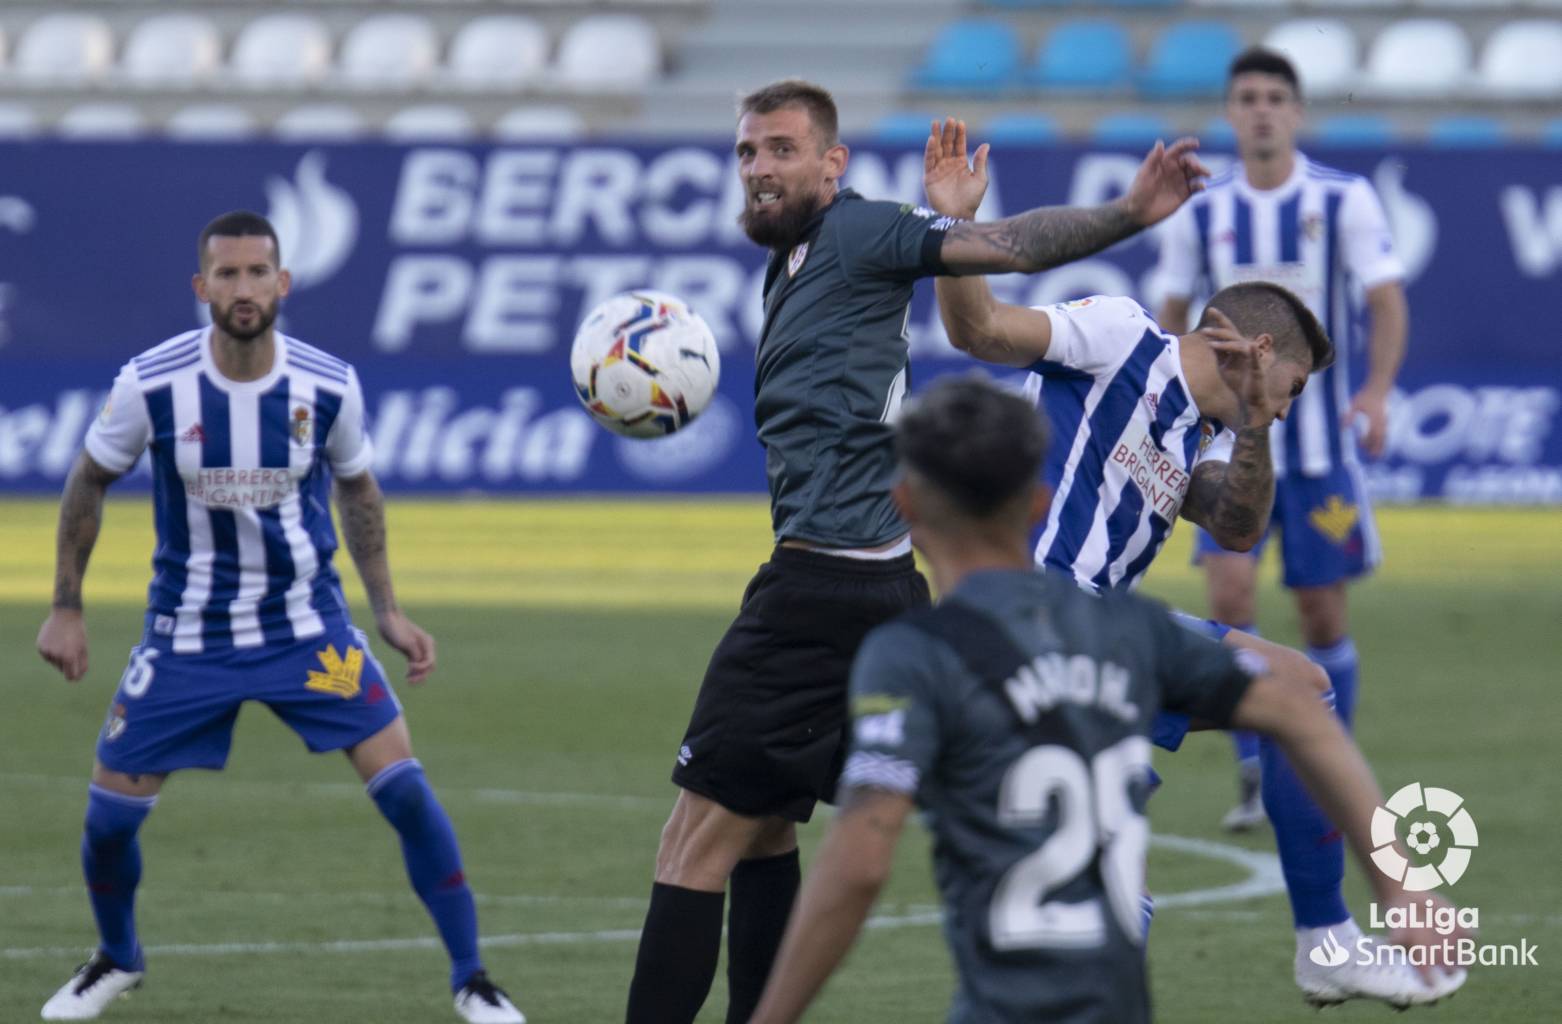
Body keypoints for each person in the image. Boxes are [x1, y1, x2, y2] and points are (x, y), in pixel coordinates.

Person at [623, 80, 1208, 1024]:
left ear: (831, 162)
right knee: (767, 828)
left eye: (780, 149)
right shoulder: (796, 262)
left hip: (821, 587)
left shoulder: (861, 233)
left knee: (691, 844)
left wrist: (1131, 212)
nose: (759, 168)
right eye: (746, 152)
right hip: (877, 585)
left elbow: (1008, 249)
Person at [923, 120, 1460, 1007]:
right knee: (1083, 936)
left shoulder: (1203, 436)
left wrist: (1250, 422)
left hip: (1108, 635)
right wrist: (954, 238)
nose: (1284, 411)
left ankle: (1325, 942)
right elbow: (981, 332)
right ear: (1247, 350)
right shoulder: (1119, 335)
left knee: (1299, 688)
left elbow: (1240, 526)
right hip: (1030, 622)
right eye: (1287, 389)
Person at [747, 376, 1464, 1024]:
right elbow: (1300, 707)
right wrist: (1400, 885)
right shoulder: (1131, 633)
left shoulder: (911, 656)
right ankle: (1327, 934)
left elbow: (863, 859)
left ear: (904, 504)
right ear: (1035, 502)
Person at [34, 212, 524, 1024]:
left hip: (309, 632)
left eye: (257, 272)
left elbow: (358, 491)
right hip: (187, 636)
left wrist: (389, 612)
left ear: (282, 282)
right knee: (107, 823)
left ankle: (473, 979)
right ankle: (117, 957)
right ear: (202, 289)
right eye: (225, 275)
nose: (243, 288)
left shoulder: (328, 384)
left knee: (405, 791)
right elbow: (88, 481)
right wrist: (65, 606)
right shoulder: (151, 384)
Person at [1155, 48, 1409, 836]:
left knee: (1321, 615)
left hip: (1321, 454)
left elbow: (1386, 299)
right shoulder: (1201, 212)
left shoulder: (1343, 200)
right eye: (1247, 98)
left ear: (1296, 112)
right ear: (1231, 114)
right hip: (1235, 448)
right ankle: (1257, 776)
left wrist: (1372, 391)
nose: (1261, 110)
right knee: (1230, 598)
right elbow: (1170, 314)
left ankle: (1333, 767)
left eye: (1275, 97)